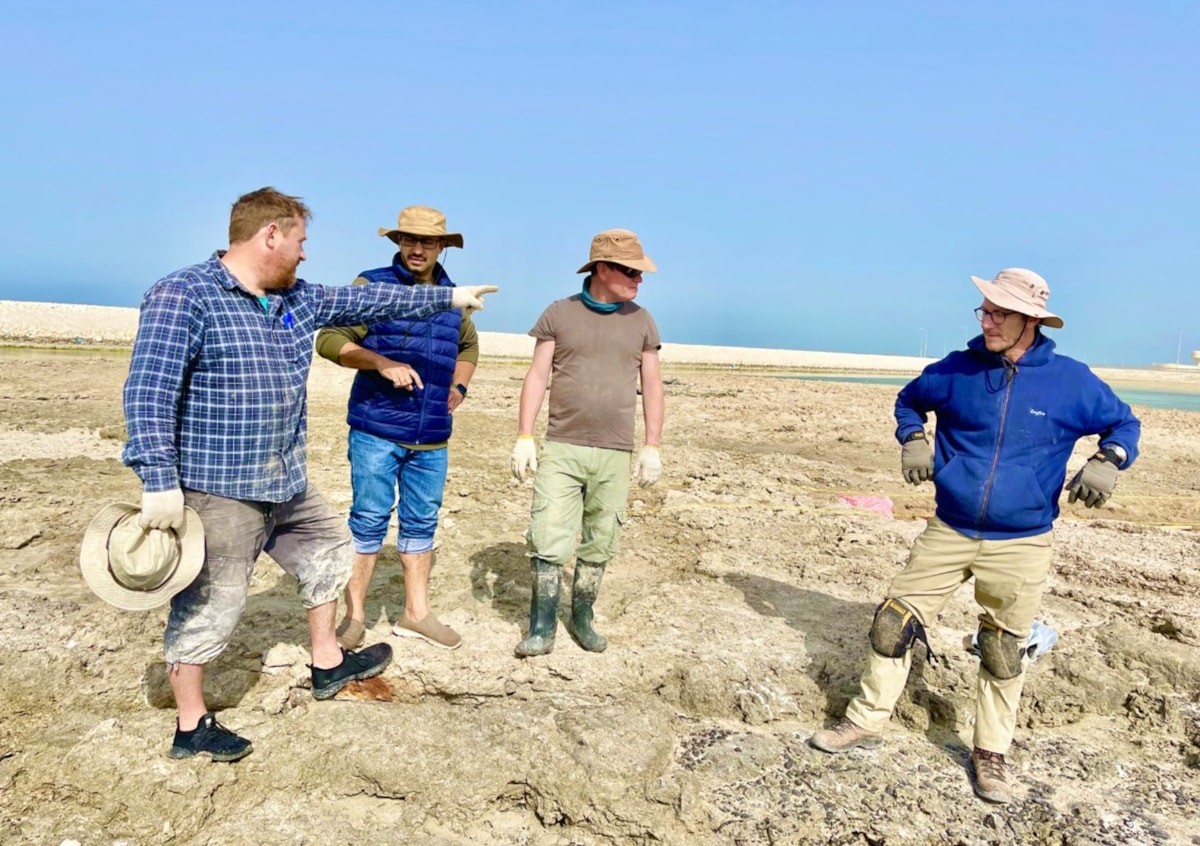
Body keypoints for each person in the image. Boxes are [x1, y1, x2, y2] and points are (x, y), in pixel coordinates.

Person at [121, 187, 497, 762]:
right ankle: (191, 725)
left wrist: (450, 297)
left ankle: (327, 662)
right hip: (219, 487)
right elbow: (149, 391)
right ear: (271, 235)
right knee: (211, 603)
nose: (305, 253)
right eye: (300, 241)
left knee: (330, 552)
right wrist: (157, 480)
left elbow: (371, 302)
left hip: (286, 480)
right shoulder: (185, 294)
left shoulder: (297, 297)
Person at [808, 268, 1141, 805]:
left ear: (1030, 320)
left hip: (1023, 540)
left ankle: (990, 754)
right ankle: (865, 721)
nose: (987, 321)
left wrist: (1109, 459)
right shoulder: (955, 370)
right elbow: (908, 400)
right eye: (984, 311)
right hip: (949, 527)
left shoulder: (1072, 382)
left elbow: (1125, 424)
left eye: (999, 313)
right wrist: (913, 438)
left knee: (1003, 648)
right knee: (892, 623)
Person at [315, 206, 478, 651]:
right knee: (368, 520)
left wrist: (459, 387)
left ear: (442, 246)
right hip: (376, 429)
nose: (417, 248)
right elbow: (329, 340)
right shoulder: (372, 285)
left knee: (422, 521)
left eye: (427, 241)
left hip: (432, 437)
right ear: (398, 243)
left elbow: (468, 346)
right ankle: (354, 619)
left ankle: (416, 614)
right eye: (409, 239)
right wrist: (381, 362)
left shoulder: (453, 296)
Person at [509, 229, 665, 657]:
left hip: (616, 451)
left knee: (601, 536)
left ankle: (583, 616)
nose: (639, 279)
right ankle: (542, 626)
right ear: (602, 268)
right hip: (563, 446)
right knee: (548, 534)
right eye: (631, 271)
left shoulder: (643, 321)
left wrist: (652, 445)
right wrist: (525, 436)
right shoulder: (559, 313)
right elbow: (537, 375)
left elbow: (652, 384)